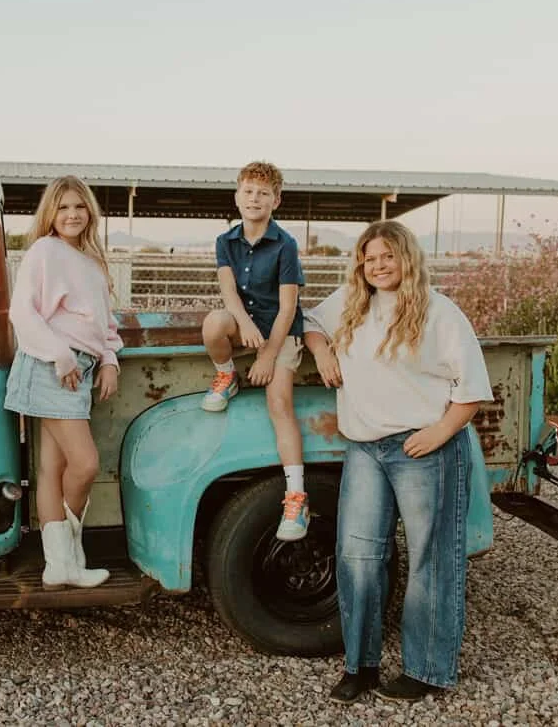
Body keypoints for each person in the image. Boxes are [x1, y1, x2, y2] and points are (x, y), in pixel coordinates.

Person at [302, 220, 492, 704]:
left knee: (432, 557)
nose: (378, 266)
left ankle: (428, 669)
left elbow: (471, 390)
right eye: (369, 258)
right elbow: (309, 322)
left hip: (423, 447)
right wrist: (323, 352)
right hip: (365, 446)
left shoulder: (440, 312)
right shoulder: (351, 304)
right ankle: (360, 665)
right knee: (358, 557)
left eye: (387, 256)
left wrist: (439, 433)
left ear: (407, 257)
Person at [5, 175, 121, 589]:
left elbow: (105, 323)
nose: (72, 214)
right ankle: (69, 556)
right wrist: (60, 354)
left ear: (89, 211)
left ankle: (59, 566)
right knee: (85, 464)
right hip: (51, 366)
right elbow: (22, 312)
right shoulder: (44, 250)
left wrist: (109, 360)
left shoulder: (91, 261)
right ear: (50, 214)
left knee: (52, 469)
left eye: (79, 206)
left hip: (78, 369)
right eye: (63, 207)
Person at [199, 161, 309, 541]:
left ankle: (296, 497)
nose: (254, 199)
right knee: (214, 324)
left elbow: (289, 307)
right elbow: (228, 292)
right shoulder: (225, 241)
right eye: (248, 191)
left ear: (276, 200)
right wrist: (243, 324)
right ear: (236, 196)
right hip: (245, 324)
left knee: (279, 404)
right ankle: (226, 374)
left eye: (263, 193)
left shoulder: (286, 245)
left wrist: (268, 354)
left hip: (280, 329)